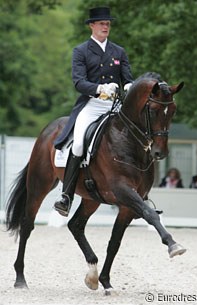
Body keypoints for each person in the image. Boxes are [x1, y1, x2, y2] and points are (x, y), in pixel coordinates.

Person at [54, 7, 133, 216]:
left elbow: (127, 77)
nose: (105, 26)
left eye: (108, 23)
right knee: (79, 143)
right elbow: (78, 82)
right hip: (92, 104)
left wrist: (129, 87)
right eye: (101, 23)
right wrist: (99, 89)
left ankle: (139, 190)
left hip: (115, 106)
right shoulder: (81, 51)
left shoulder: (119, 51)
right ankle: (66, 196)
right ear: (92, 25)